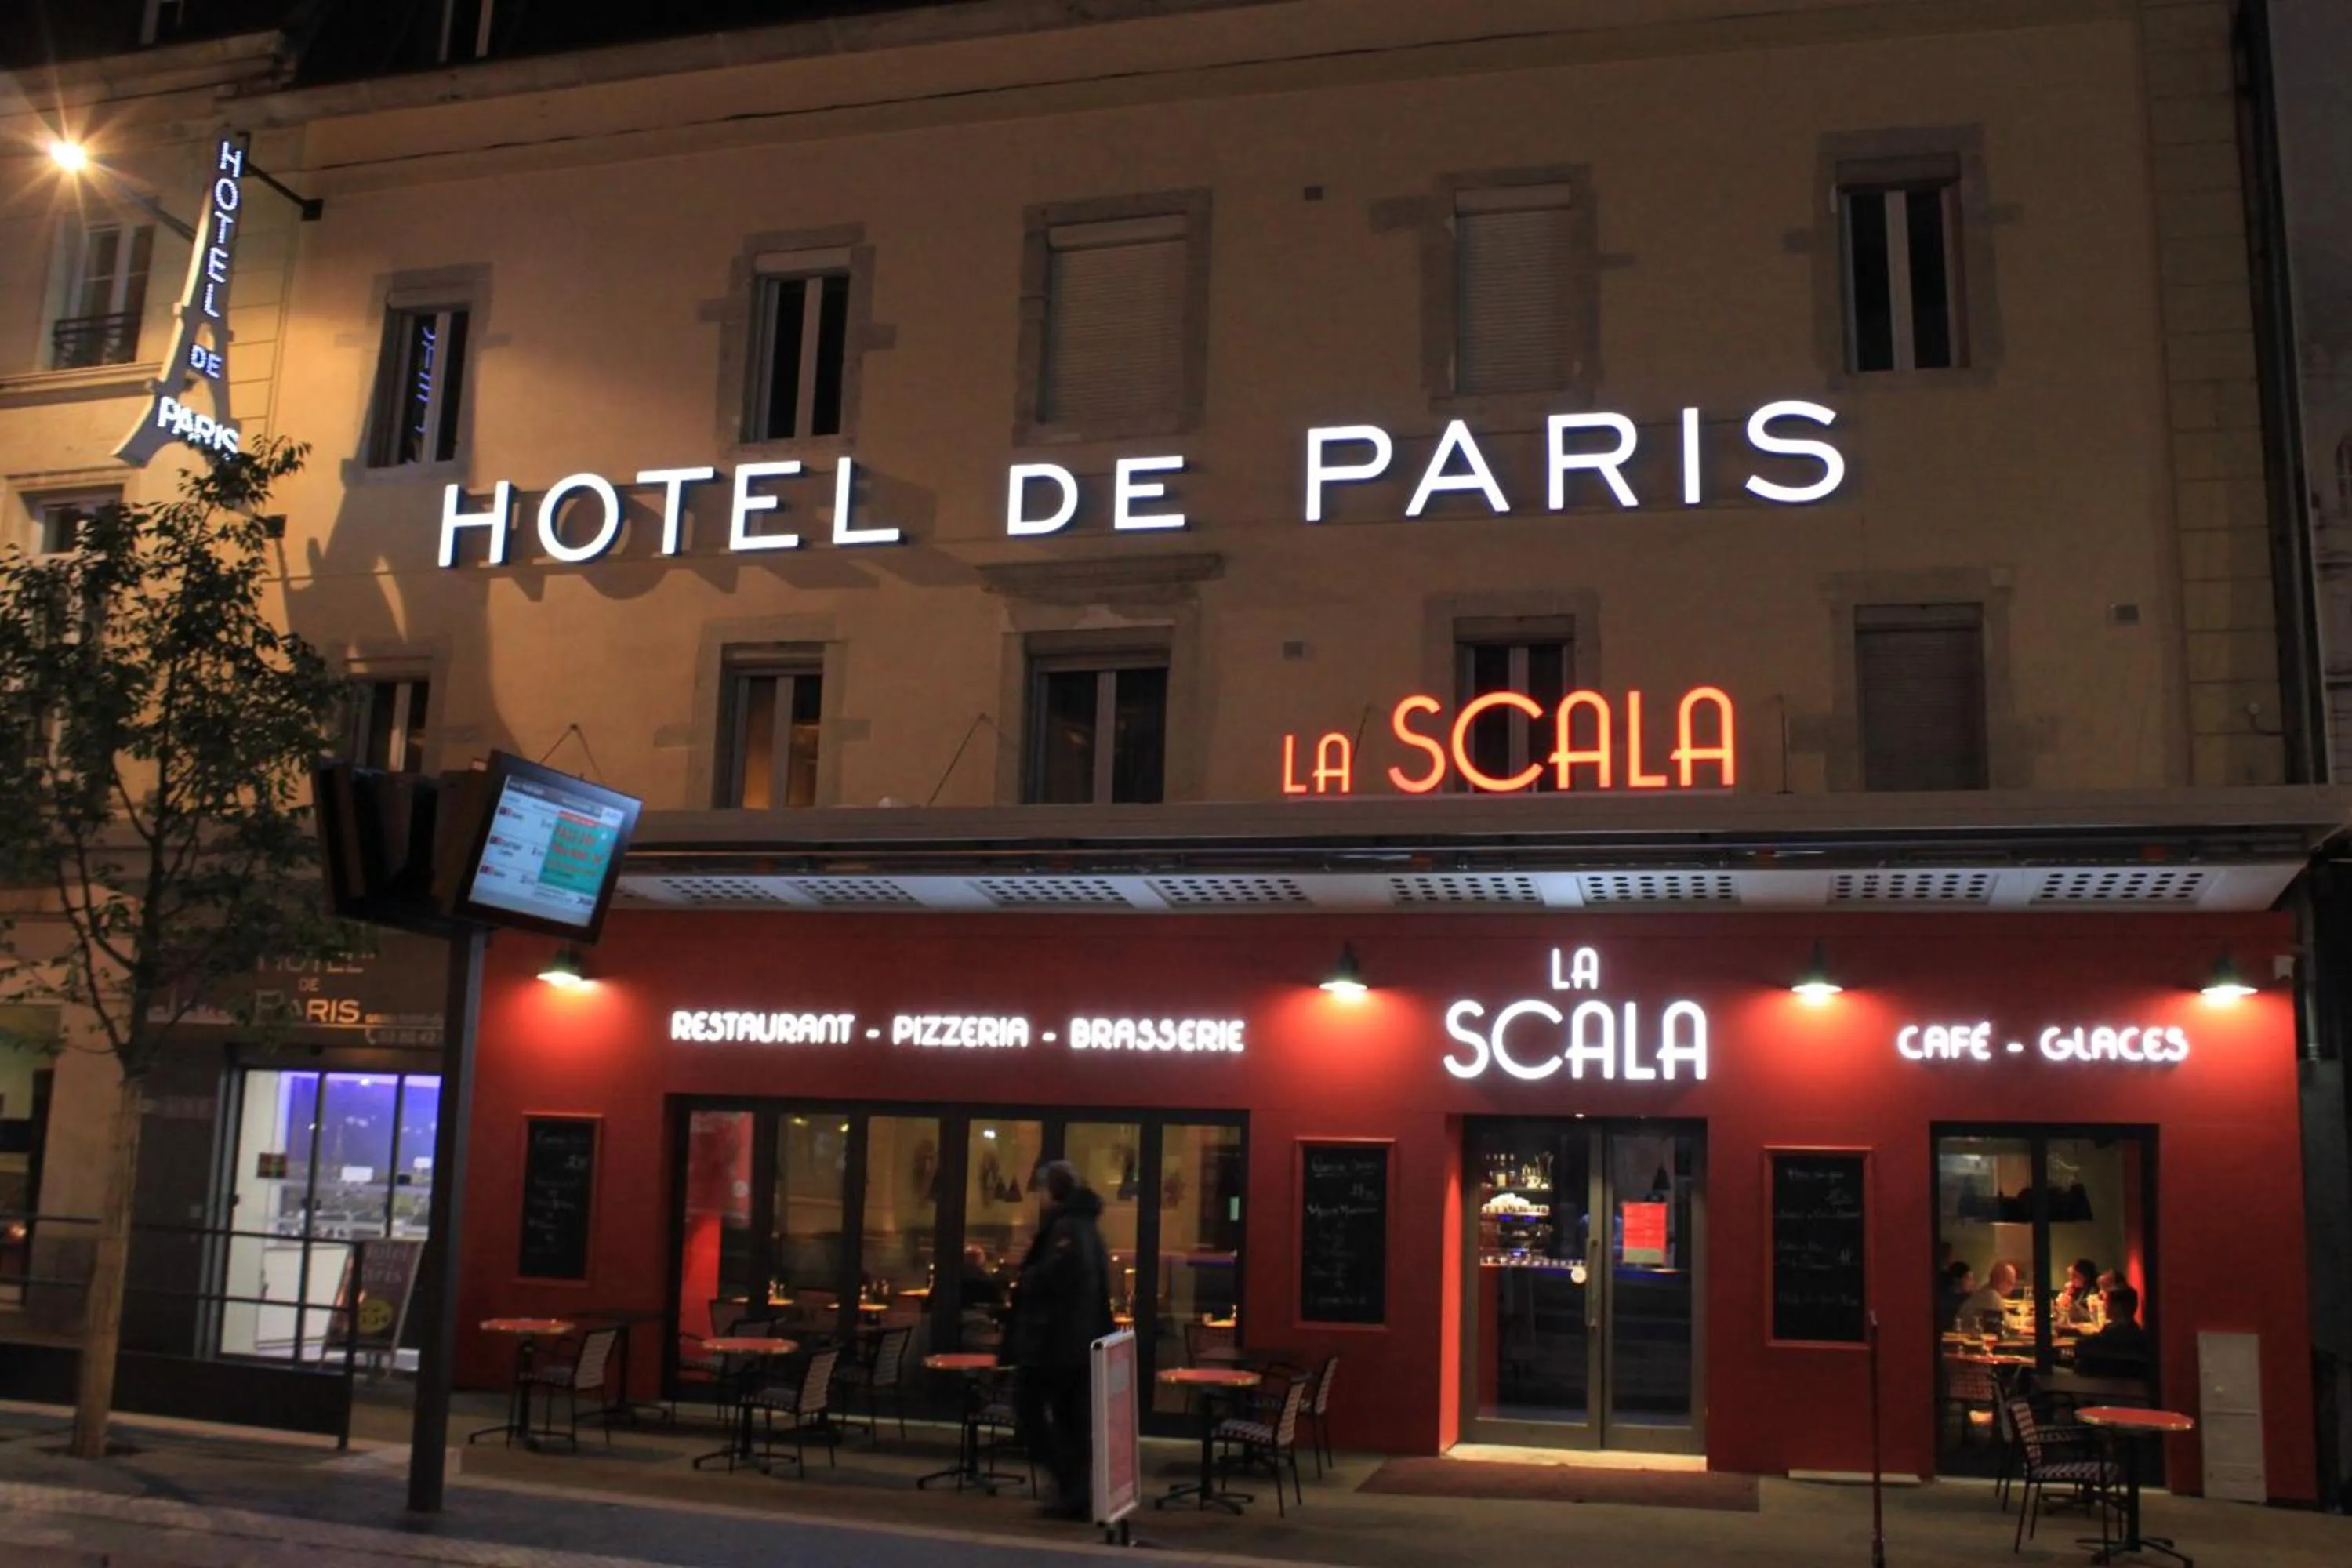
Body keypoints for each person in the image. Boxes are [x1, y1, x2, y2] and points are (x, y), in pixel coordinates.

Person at [1007, 1160, 1114, 1520]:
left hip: (1055, 1345)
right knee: (1072, 1419)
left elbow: (1056, 1280)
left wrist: (1027, 1277)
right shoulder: (1088, 1229)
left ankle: (1071, 1487)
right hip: (1076, 1345)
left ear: (1053, 1190)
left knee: (1031, 1411)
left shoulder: (1067, 1230)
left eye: (1042, 1191)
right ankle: (1076, 1490)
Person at [2074, 1283, 2154, 1379]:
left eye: (2107, 1302)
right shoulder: (2136, 1332)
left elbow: (2082, 1348)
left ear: (2117, 1307)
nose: (2104, 1306)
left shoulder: (2116, 1334)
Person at [1954, 1260, 2016, 1334]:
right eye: (2010, 1283)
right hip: (1967, 1339)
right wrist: (2028, 1320)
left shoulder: (1986, 1291)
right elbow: (2006, 1323)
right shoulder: (1991, 1296)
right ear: (2000, 1280)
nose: (2012, 1287)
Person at [2056, 1258, 2100, 1325]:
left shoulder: (2095, 1291)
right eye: (2070, 1275)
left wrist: (2073, 1304)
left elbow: (2092, 1318)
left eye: (2075, 1275)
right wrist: (2067, 1294)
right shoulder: (2079, 1289)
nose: (2071, 1279)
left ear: (2085, 1276)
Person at [1938, 1260, 1976, 1330]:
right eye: (1968, 1279)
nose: (1972, 1283)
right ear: (1957, 1280)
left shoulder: (1972, 1298)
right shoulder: (1945, 1300)